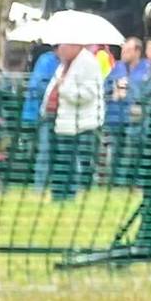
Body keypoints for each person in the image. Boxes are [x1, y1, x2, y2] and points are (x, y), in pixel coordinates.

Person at [46, 40, 106, 201]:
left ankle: (70, 195)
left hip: (82, 123)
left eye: (63, 45)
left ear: (74, 45)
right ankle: (59, 194)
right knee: (62, 160)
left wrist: (63, 89)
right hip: (63, 122)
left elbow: (88, 94)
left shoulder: (88, 63)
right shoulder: (64, 65)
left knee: (75, 161)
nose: (60, 49)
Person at [105, 38, 151, 184]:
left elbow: (150, 91)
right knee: (116, 153)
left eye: (127, 51)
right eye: (123, 50)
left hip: (137, 121)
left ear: (138, 51)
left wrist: (135, 96)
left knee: (136, 152)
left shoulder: (148, 67)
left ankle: (136, 183)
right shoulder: (117, 67)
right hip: (116, 118)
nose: (123, 54)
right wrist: (113, 91)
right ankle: (116, 184)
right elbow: (104, 87)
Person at [21, 44, 61, 189]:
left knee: (60, 152)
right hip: (43, 114)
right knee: (44, 151)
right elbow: (37, 86)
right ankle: (39, 187)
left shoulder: (68, 63)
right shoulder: (47, 61)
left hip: (60, 114)